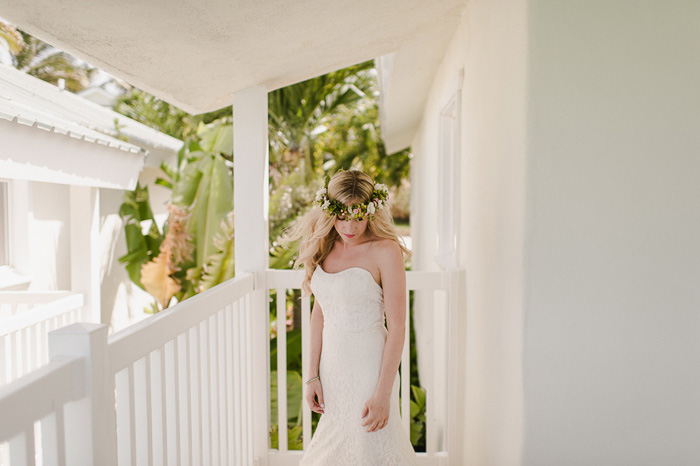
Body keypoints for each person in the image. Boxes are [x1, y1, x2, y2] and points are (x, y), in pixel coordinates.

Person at [280, 168, 418, 465]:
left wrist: (383, 394)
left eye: (358, 216)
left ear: (372, 212)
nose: (350, 226)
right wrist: (312, 375)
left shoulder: (386, 251)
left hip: (369, 369)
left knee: (370, 446)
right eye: (342, 216)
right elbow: (320, 313)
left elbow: (397, 328)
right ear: (329, 212)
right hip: (332, 370)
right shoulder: (326, 246)